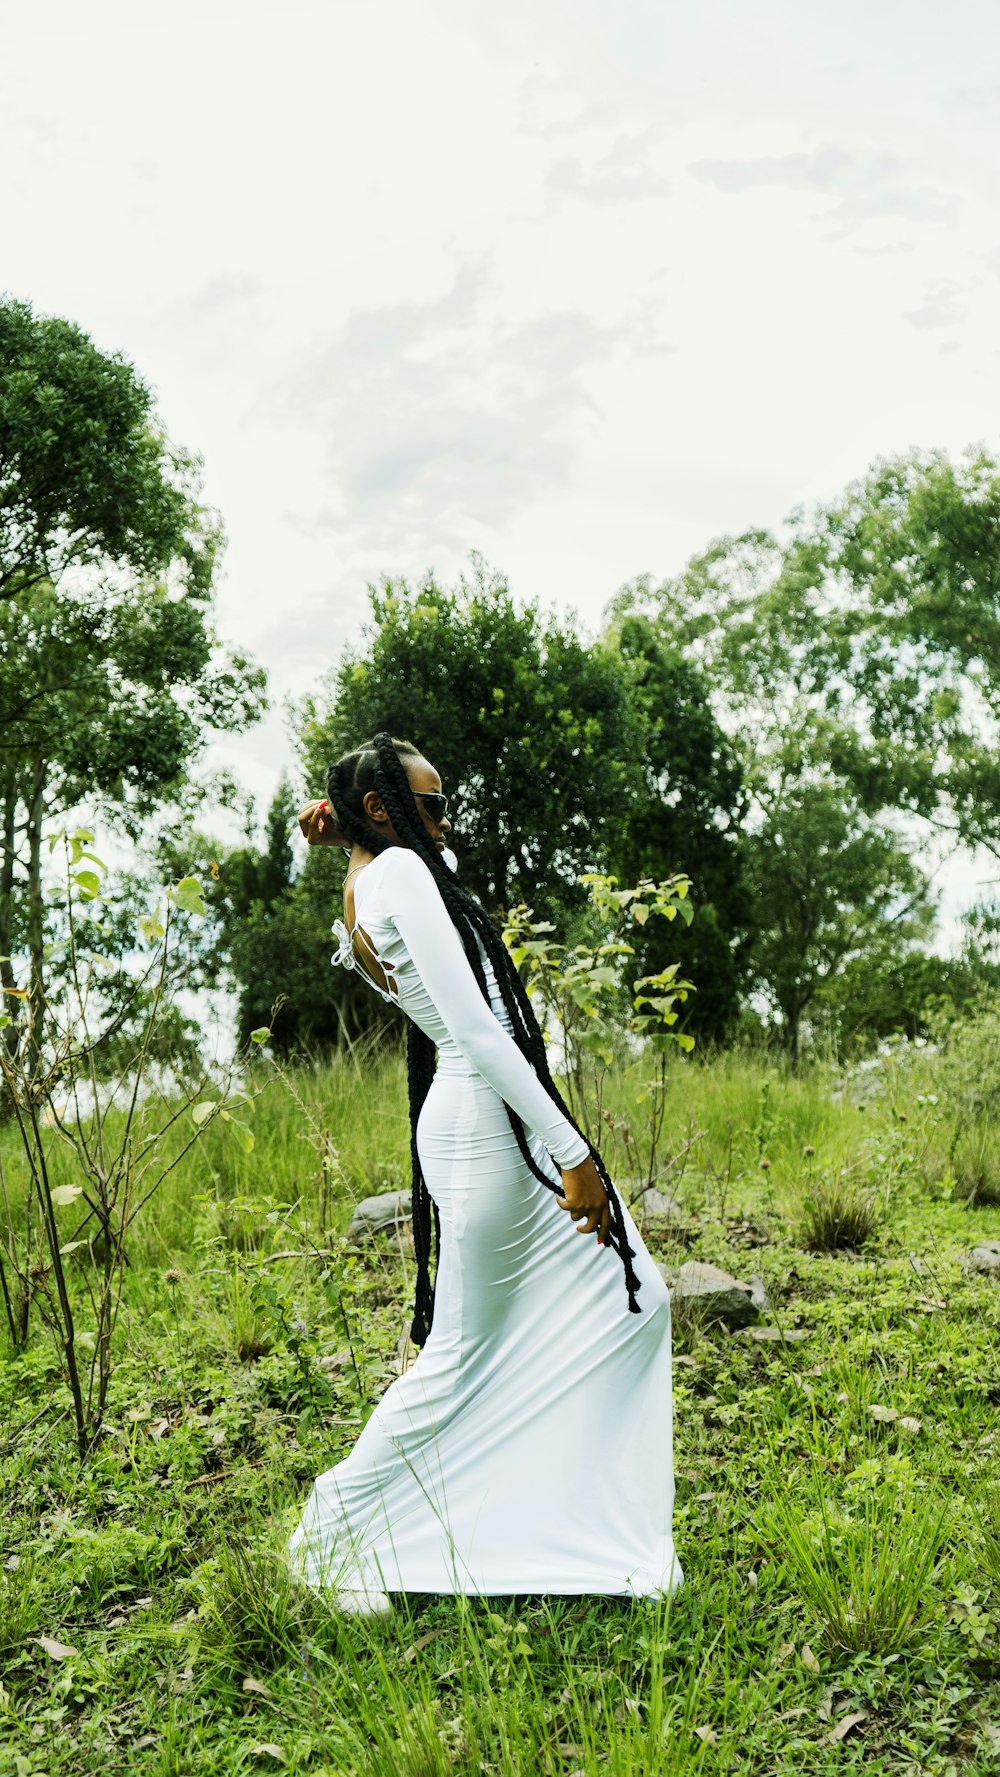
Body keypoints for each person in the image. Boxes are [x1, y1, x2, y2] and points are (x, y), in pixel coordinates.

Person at [287, 732, 682, 1613]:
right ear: (384, 811)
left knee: (635, 1302)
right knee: (463, 1351)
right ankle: (326, 1540)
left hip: (487, 1120)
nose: (447, 821)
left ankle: (567, 1528)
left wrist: (349, 832)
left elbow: (437, 872)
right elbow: (473, 1029)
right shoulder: (398, 875)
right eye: (431, 803)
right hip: (486, 1127)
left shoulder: (368, 880)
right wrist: (573, 1152)